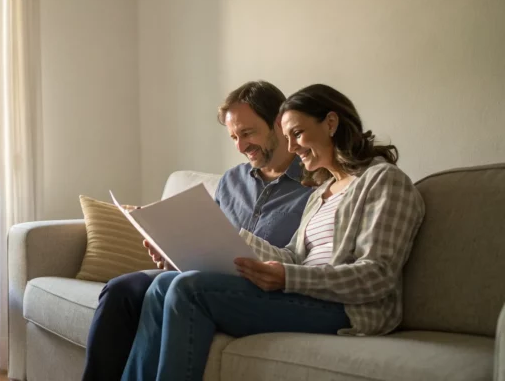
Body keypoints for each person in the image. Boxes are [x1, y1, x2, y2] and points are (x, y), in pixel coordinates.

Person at [120, 84, 426, 381]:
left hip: (348, 310)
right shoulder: (322, 192)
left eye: (297, 133)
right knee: (163, 285)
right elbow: (292, 256)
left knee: (190, 289)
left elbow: (378, 275)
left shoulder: (384, 180)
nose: (291, 147)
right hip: (304, 294)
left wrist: (288, 278)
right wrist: (218, 240)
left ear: (331, 123)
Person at [81, 80, 314, 381]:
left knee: (177, 290)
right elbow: (209, 239)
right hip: (200, 274)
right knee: (121, 290)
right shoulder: (232, 180)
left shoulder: (314, 184)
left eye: (247, 133)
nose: (241, 147)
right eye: (234, 137)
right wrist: (171, 253)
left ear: (278, 124)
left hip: (253, 288)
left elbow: (303, 259)